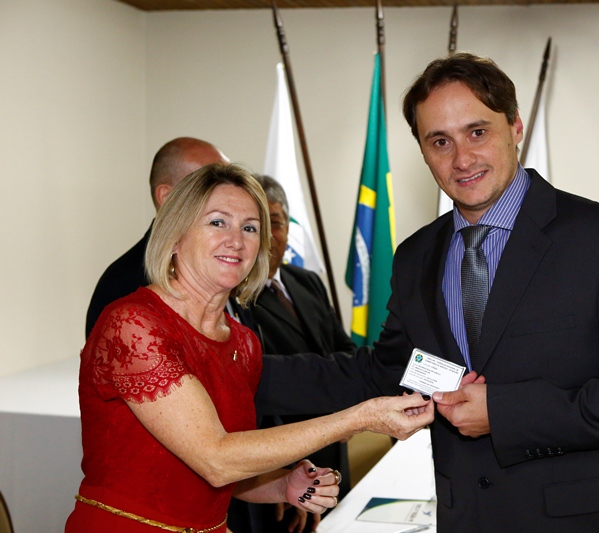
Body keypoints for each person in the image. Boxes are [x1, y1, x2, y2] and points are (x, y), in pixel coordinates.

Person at [257, 53, 599, 532]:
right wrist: (234, 369)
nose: (462, 159)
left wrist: (505, 412)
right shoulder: (416, 257)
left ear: (515, 126)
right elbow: (384, 371)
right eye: (440, 141)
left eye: (477, 132)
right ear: (423, 151)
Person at [65, 163, 434, 532]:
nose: (236, 240)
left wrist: (284, 484)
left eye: (250, 227)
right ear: (174, 235)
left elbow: (221, 473)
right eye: (217, 222)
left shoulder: (242, 342)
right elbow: (215, 459)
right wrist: (359, 419)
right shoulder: (133, 326)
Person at [227, 175, 357, 533]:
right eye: (258, 226)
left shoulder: (307, 281)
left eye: (277, 223)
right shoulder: (236, 300)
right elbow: (263, 388)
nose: (270, 237)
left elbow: (344, 349)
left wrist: (349, 413)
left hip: (334, 453)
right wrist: (283, 475)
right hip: (283, 466)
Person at [85, 137, 230, 338]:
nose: (229, 195)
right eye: (209, 185)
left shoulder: (227, 264)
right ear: (167, 197)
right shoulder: (127, 284)